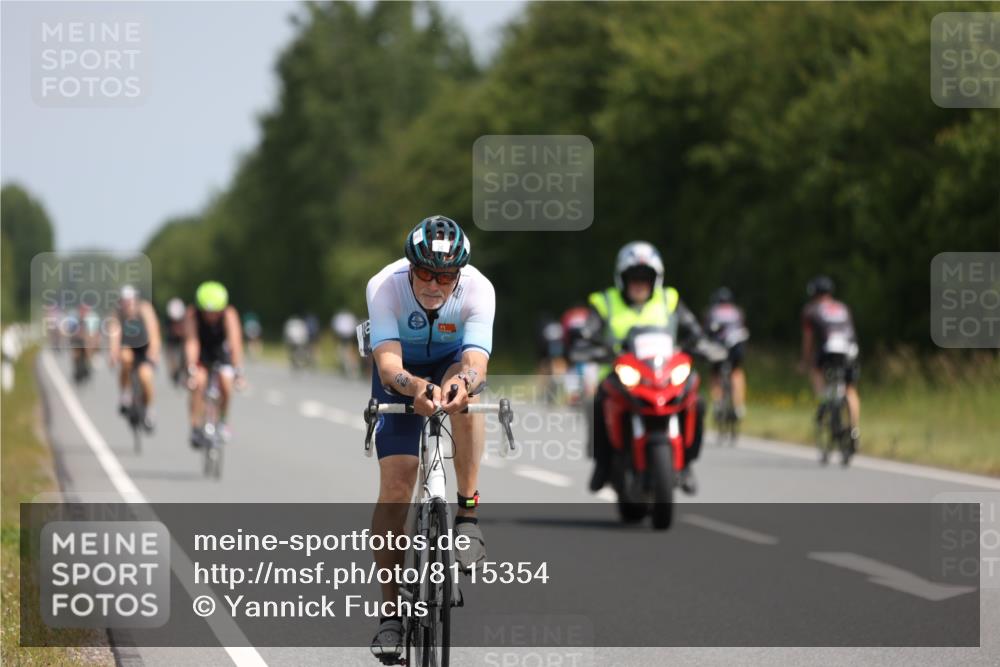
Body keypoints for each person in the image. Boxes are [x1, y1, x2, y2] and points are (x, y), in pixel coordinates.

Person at [367, 215, 494, 661]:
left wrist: (463, 385)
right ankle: (390, 616)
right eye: (425, 273)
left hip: (451, 362)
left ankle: (468, 513)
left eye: (445, 275)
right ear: (410, 267)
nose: (435, 285)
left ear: (458, 274)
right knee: (397, 485)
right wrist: (415, 388)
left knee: (468, 401)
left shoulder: (479, 289)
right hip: (400, 371)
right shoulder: (385, 287)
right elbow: (387, 367)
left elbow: (476, 361)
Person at [582, 241, 723, 495]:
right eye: (633, 277)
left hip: (665, 373)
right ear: (622, 279)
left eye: (645, 277)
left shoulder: (670, 299)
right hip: (619, 374)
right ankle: (602, 464)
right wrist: (590, 345)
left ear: (656, 279)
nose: (639, 283)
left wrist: (704, 344)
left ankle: (687, 463)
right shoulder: (605, 301)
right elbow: (587, 333)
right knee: (598, 402)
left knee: (696, 402)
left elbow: (694, 331)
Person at [800, 275, 860, 453]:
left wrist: (805, 360)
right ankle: (854, 430)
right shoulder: (843, 307)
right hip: (850, 349)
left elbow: (809, 340)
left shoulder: (811, 310)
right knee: (850, 389)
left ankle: (824, 400)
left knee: (816, 369)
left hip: (829, 348)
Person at [184, 281, 245, 448]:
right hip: (201, 351)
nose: (211, 316)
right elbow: (192, 342)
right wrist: (191, 369)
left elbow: (234, 343)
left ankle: (223, 421)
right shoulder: (192, 315)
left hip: (221, 351)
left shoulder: (229, 315)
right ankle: (195, 426)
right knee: (199, 381)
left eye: (215, 312)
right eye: (207, 312)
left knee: (225, 382)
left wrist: (238, 371)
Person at [108, 285, 161, 431]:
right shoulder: (117, 314)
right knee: (125, 359)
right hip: (128, 347)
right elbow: (114, 335)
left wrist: (153, 353)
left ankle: (149, 409)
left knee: (146, 377)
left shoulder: (145, 309)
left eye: (129, 301)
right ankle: (125, 394)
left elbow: (154, 332)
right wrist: (113, 354)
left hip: (144, 349)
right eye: (124, 301)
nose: (127, 304)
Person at [703, 287, 749, 420]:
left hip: (719, 347)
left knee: (715, 373)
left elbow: (706, 332)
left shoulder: (712, 312)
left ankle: (718, 403)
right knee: (736, 372)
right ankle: (739, 406)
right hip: (736, 346)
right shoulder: (738, 312)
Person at [331, 308, 360, 378]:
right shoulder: (345, 317)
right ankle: (346, 367)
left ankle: (350, 367)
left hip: (348, 336)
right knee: (343, 351)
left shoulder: (346, 317)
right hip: (344, 336)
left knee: (347, 352)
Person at [164, 297, 187, 385]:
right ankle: (174, 372)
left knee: (186, 352)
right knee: (170, 354)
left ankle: (184, 370)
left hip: (183, 338)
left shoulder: (186, 319)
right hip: (171, 339)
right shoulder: (168, 321)